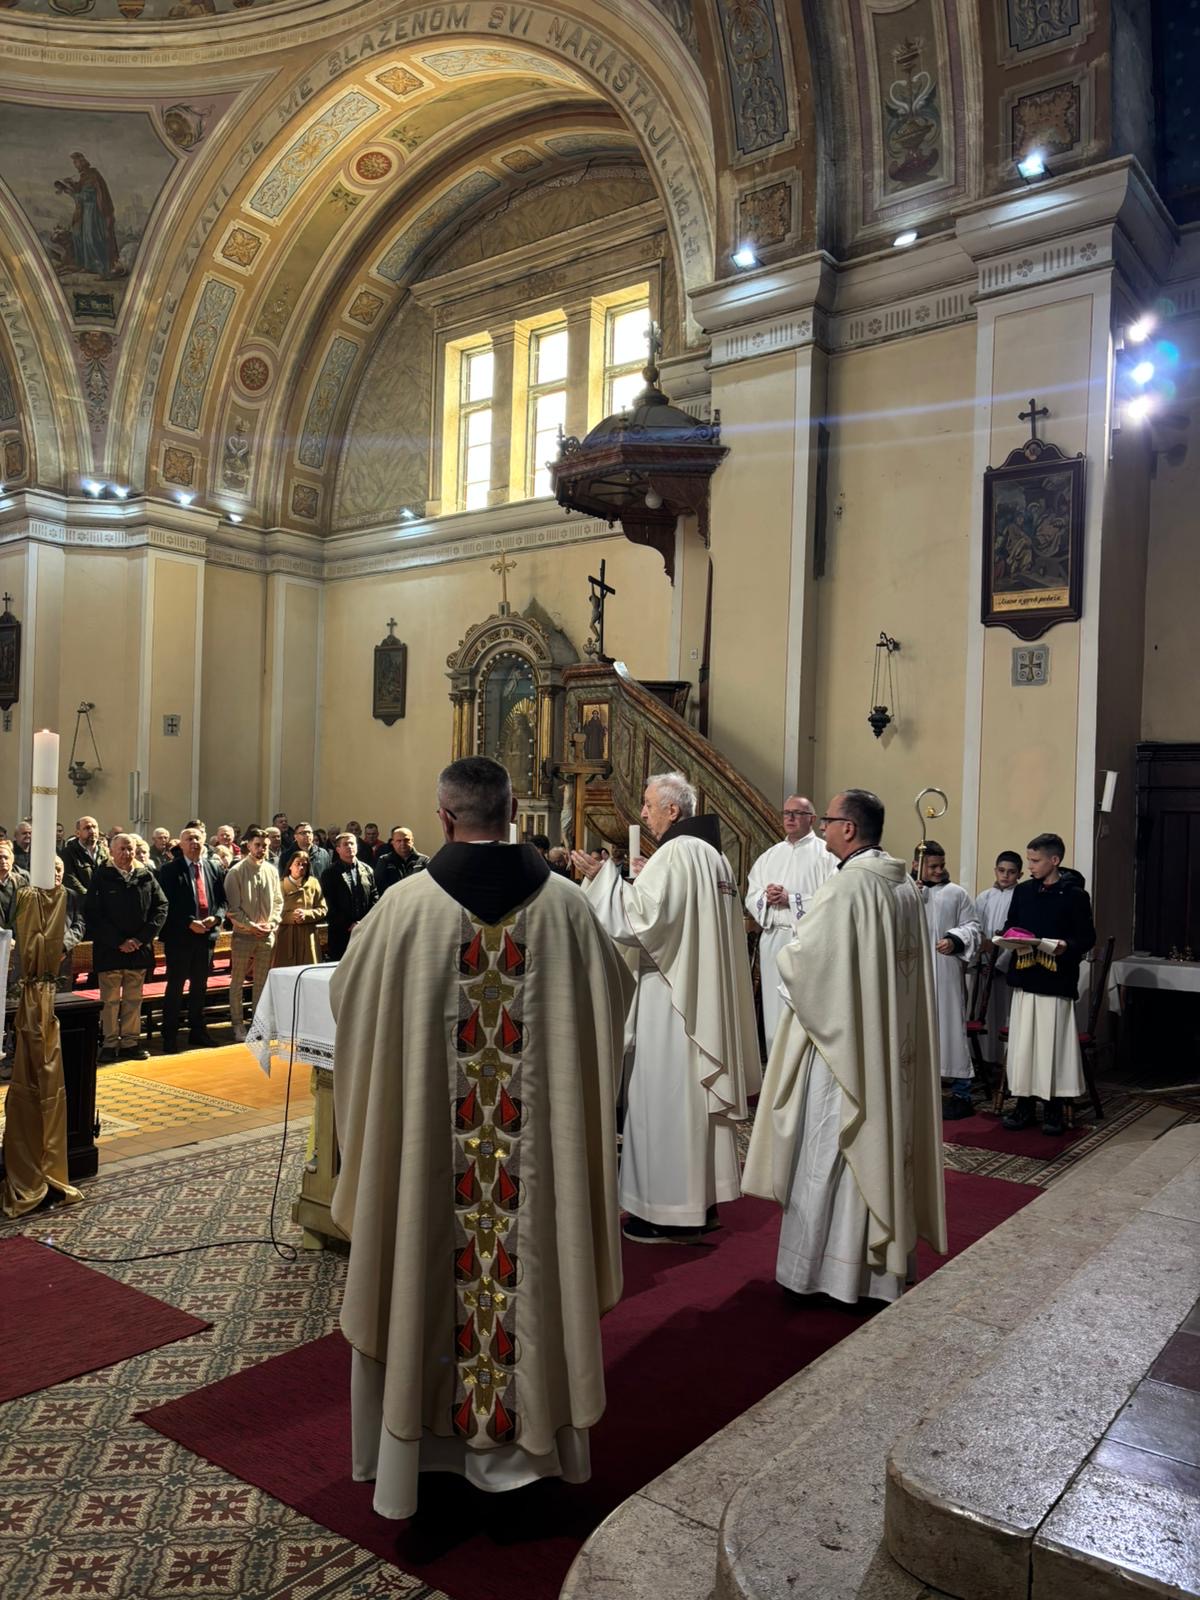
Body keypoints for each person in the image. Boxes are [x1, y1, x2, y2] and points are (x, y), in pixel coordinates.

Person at [330, 755, 632, 1520]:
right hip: (535, 1177)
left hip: (429, 1173)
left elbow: (352, 1003)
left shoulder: (402, 910)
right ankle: (534, 1451)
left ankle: (418, 1454)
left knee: (420, 1267)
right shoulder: (569, 910)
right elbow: (611, 1007)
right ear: (514, 811)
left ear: (443, 817)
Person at [743, 789, 946, 1304]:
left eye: (829, 820)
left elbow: (806, 968)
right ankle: (876, 1273)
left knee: (830, 1149)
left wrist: (786, 959)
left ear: (849, 828)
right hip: (886, 1049)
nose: (824, 828)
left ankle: (824, 1276)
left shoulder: (849, 888)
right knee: (880, 1144)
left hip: (844, 1053)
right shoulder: (903, 885)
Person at [572, 771, 760, 1244]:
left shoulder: (676, 853)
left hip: (672, 1003)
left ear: (673, 810)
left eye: (649, 803)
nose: (643, 812)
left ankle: (667, 1212)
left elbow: (639, 922)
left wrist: (601, 879)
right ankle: (701, 1204)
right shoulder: (714, 856)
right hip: (701, 999)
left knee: (664, 1103)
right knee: (693, 1108)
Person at [1001, 832, 1096, 1136]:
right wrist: (1010, 938)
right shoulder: (1024, 891)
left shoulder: (1075, 895)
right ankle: (1024, 1105)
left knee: (1051, 1047)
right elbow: (1011, 925)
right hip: (1026, 975)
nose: (1029, 866)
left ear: (1054, 860)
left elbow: (1086, 938)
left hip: (1055, 979)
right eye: (1029, 860)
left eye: (1035, 861)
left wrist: (1066, 946)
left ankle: (1053, 1108)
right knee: (1024, 1047)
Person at [745, 795, 837, 1054]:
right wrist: (766, 897)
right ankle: (775, 1061)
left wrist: (793, 900)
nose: (790, 818)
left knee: (801, 1009)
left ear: (812, 819)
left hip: (806, 941)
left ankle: (801, 1064)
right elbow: (751, 894)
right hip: (773, 939)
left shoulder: (826, 855)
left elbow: (833, 898)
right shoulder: (770, 855)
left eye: (798, 813)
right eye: (786, 813)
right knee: (774, 1007)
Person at [84, 832, 168, 1064]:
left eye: (130, 848)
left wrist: (140, 939)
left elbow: (161, 907)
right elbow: (92, 913)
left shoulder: (145, 875)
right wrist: (118, 941)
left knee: (133, 999)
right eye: (121, 848)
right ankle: (110, 1043)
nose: (126, 853)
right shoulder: (101, 876)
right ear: (111, 851)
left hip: (138, 951)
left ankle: (131, 1042)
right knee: (110, 1001)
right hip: (110, 950)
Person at [911, 841, 981, 1120]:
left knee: (951, 1029)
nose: (939, 870)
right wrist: (907, 896)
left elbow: (973, 927)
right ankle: (914, 1092)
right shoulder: (905, 891)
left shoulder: (956, 893)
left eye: (942, 865)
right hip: (912, 971)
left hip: (945, 970)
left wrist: (955, 940)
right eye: (933, 866)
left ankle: (961, 1094)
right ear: (917, 865)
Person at [159, 826, 226, 1052]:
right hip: (180, 937)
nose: (194, 842)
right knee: (176, 986)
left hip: (206, 936)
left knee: (199, 986)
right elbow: (166, 903)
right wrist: (189, 922)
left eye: (197, 838)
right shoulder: (170, 870)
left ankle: (197, 1031)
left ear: (204, 841)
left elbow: (222, 901)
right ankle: (169, 1035)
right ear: (181, 844)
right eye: (189, 839)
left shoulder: (213, 867)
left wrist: (216, 918)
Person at [224, 827, 283, 1040]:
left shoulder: (271, 870)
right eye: (257, 845)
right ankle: (238, 1024)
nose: (261, 849)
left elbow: (278, 901)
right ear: (248, 845)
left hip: (267, 934)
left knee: (261, 981)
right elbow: (233, 909)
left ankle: (258, 1024)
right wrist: (251, 926)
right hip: (243, 935)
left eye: (265, 846)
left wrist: (272, 923)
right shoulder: (236, 872)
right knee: (238, 981)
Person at [974, 850, 1022, 1071]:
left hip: (1005, 964)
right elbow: (975, 929)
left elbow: (1018, 934)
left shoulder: (1020, 898)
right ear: (995, 870)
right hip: (984, 964)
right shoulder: (983, 897)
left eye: (1011, 872)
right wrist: (981, 960)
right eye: (1001, 870)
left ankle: (1005, 1062)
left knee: (1005, 1013)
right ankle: (983, 1059)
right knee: (983, 1012)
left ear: (1019, 874)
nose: (1005, 875)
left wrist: (1001, 964)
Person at [320, 833, 378, 959]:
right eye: (345, 844)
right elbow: (329, 904)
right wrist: (348, 924)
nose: (349, 846)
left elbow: (374, 898)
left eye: (352, 843)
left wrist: (364, 922)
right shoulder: (330, 873)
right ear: (338, 849)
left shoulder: (367, 870)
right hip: (341, 932)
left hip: (365, 929)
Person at [273, 851, 327, 967]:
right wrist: (292, 917)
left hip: (308, 935)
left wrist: (307, 915)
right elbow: (273, 912)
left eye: (304, 865)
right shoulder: (280, 885)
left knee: (308, 971)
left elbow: (323, 909)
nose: (301, 867)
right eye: (297, 863)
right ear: (290, 866)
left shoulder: (313, 883)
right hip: (286, 936)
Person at [61, 815, 109, 899]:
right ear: (77, 833)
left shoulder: (105, 853)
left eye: (94, 827)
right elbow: (69, 878)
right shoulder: (68, 853)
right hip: (80, 902)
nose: (92, 831)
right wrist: (89, 896)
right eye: (87, 828)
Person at [373, 826, 429, 893]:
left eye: (406, 840)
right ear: (393, 842)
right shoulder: (384, 861)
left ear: (412, 841)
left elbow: (428, 884)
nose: (403, 843)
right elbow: (379, 885)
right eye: (399, 841)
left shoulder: (423, 861)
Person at [0, 838, 29, 936]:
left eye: (6, 857)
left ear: (12, 860)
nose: (3, 861)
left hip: (18, 936)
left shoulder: (22, 882)